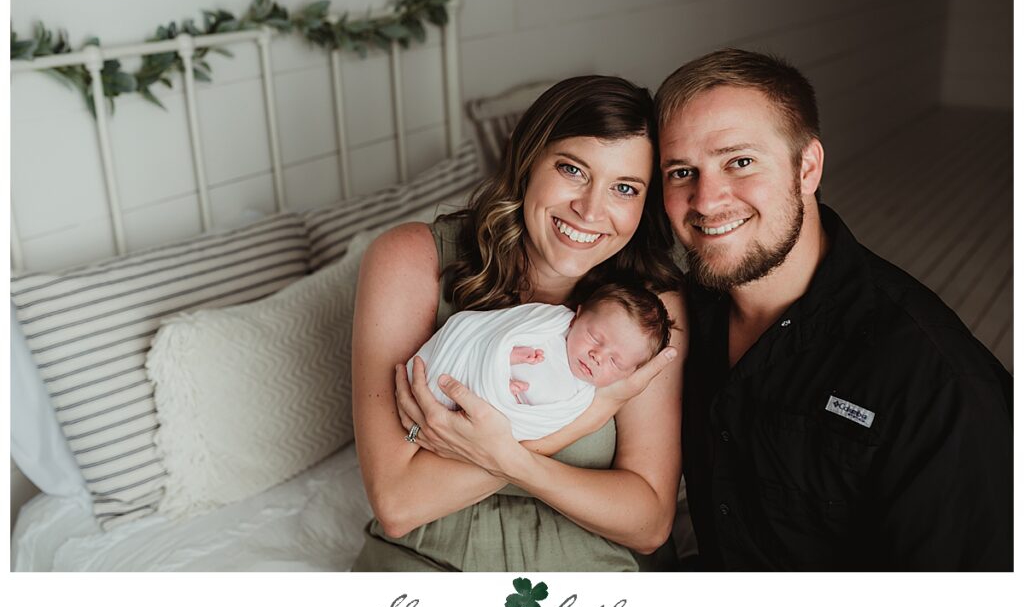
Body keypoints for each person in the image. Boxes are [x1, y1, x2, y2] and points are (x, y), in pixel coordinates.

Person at [655, 47, 1012, 570]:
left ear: (807, 167)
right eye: (682, 171)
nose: (706, 201)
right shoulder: (684, 315)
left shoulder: (936, 382)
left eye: (740, 162)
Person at [351, 75, 685, 572]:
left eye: (624, 188)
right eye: (572, 169)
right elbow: (398, 505)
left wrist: (510, 458)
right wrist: (590, 415)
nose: (591, 210)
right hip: (420, 568)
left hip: (582, 580)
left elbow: (650, 523)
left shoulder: (650, 313)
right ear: (526, 159)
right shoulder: (411, 259)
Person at [408, 282, 673, 440]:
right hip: (459, 374)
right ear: (578, 316)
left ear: (629, 373)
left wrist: (504, 396)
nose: (597, 356)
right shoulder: (549, 329)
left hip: (479, 420)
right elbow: (490, 339)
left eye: (616, 362)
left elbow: (527, 429)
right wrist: (506, 359)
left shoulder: (579, 399)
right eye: (594, 337)